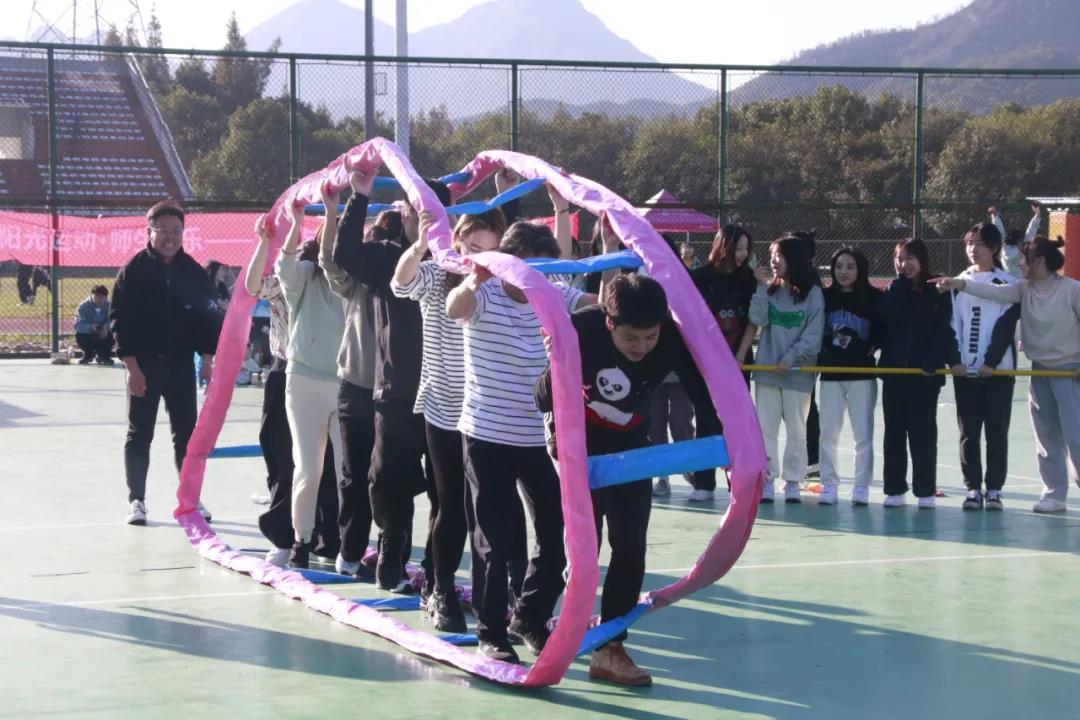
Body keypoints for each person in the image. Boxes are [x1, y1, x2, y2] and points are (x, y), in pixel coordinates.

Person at [536, 272, 707, 686]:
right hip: (578, 450)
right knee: (583, 550)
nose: (642, 347)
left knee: (631, 546)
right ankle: (550, 619)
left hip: (631, 450)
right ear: (609, 322)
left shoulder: (669, 338)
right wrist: (559, 358)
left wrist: (725, 443)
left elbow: (703, 390)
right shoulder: (582, 329)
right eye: (631, 338)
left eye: (650, 337)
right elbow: (541, 398)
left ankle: (610, 646)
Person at [446, 219, 595, 664]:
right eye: (530, 270)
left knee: (556, 534)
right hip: (487, 435)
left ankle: (529, 616)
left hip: (540, 437)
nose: (537, 280)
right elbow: (455, 307)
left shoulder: (550, 294)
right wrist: (476, 276)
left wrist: (615, 270)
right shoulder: (484, 294)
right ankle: (491, 631)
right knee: (494, 538)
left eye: (544, 271)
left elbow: (597, 304)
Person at [392, 205, 531, 633]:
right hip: (446, 409)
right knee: (450, 504)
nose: (475, 257)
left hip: (491, 413)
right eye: (470, 246)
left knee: (502, 508)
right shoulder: (439, 276)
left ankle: (515, 597)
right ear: (455, 243)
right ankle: (441, 589)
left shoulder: (501, 283)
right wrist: (420, 244)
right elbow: (401, 282)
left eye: (486, 250)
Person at [333, 165, 453, 592]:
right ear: (403, 213)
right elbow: (344, 254)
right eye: (415, 211)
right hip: (398, 390)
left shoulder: (458, 260)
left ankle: (439, 575)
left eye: (433, 213)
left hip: (448, 395)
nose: (422, 220)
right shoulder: (386, 256)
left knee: (447, 490)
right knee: (387, 479)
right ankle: (391, 548)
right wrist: (359, 195)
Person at [937, 236, 1080, 513]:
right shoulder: (1023, 289)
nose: (1020, 264)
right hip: (1040, 371)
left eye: (1025, 259)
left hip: (1070, 372)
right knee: (1046, 437)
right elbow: (994, 292)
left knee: (1076, 435)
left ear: (1040, 261)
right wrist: (959, 283)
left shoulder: (1072, 290)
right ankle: (1054, 494)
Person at [110, 200, 220, 526]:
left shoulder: (194, 272)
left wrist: (208, 359)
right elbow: (119, 321)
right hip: (144, 366)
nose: (170, 237)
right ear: (149, 232)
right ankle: (137, 500)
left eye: (176, 231)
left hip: (181, 365)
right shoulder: (133, 271)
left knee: (187, 436)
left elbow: (207, 318)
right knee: (140, 433)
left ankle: (190, 499)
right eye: (163, 231)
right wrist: (132, 368)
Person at [244, 213, 342, 568]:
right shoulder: (295, 279)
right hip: (290, 373)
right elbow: (255, 285)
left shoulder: (344, 281)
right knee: (290, 463)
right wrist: (265, 243)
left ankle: (332, 539)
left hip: (337, 377)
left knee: (337, 469)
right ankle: (288, 537)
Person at [274, 195, 347, 568]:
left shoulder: (357, 283)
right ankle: (301, 540)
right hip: (305, 381)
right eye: (330, 236)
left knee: (348, 471)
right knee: (308, 468)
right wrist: (298, 223)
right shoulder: (304, 276)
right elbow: (284, 266)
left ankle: (350, 546)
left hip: (349, 384)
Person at [320, 177, 383, 579]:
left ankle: (391, 552)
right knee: (354, 474)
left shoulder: (415, 282)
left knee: (390, 477)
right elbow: (332, 260)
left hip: (399, 392)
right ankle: (351, 549)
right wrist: (332, 212)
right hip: (357, 386)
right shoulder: (357, 284)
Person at [877, 239, 962, 509]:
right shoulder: (893, 289)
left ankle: (925, 491)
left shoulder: (938, 289)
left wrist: (933, 361)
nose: (905, 264)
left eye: (910, 258)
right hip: (894, 375)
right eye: (900, 259)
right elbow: (885, 320)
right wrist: (899, 289)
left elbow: (943, 329)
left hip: (925, 377)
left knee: (923, 434)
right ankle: (894, 489)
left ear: (922, 260)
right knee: (894, 434)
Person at [749, 235, 825, 503]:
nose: (773, 261)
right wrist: (761, 287)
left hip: (797, 375)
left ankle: (793, 480)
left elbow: (813, 336)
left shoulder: (813, 294)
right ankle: (768, 479)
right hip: (768, 373)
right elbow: (757, 319)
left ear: (794, 259)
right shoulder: (769, 291)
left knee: (797, 430)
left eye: (779, 255)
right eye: (772, 255)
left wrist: (790, 359)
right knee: (766, 429)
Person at [950, 222, 1020, 511]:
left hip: (999, 372)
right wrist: (956, 360)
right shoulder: (957, 283)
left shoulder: (1007, 283)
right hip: (965, 373)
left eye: (979, 243)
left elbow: (1006, 326)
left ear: (994, 247)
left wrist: (991, 361)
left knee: (996, 432)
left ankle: (993, 490)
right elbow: (953, 326)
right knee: (969, 432)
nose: (973, 249)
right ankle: (972, 489)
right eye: (969, 243)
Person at [686, 224, 756, 501]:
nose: (742, 254)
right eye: (737, 248)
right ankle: (704, 483)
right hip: (705, 363)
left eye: (746, 249)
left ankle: (737, 481)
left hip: (738, 362)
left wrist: (739, 356)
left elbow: (754, 320)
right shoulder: (700, 277)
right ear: (722, 247)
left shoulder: (749, 280)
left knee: (737, 422)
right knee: (705, 419)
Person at [817, 247, 882, 505]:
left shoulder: (874, 297)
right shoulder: (824, 297)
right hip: (831, 374)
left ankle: (861, 486)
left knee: (863, 434)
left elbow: (884, 328)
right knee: (828, 433)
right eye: (839, 266)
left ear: (860, 270)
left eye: (850, 266)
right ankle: (829, 484)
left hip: (861, 374)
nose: (844, 272)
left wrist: (873, 344)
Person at [989, 203, 1040, 280]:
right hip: (1021, 281)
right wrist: (1037, 215)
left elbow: (1000, 231)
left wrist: (995, 216)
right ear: (1019, 240)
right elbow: (1031, 231)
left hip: (1007, 280)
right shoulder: (1022, 248)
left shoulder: (1004, 247)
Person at [74, 285, 114, 365]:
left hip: (104, 334)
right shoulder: (83, 307)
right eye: (97, 296)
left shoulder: (110, 306)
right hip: (89, 334)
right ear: (91, 295)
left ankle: (103, 355)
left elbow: (113, 319)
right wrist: (92, 327)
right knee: (79, 335)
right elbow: (79, 325)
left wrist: (106, 326)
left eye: (102, 296)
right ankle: (88, 355)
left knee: (114, 332)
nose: (99, 299)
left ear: (106, 297)